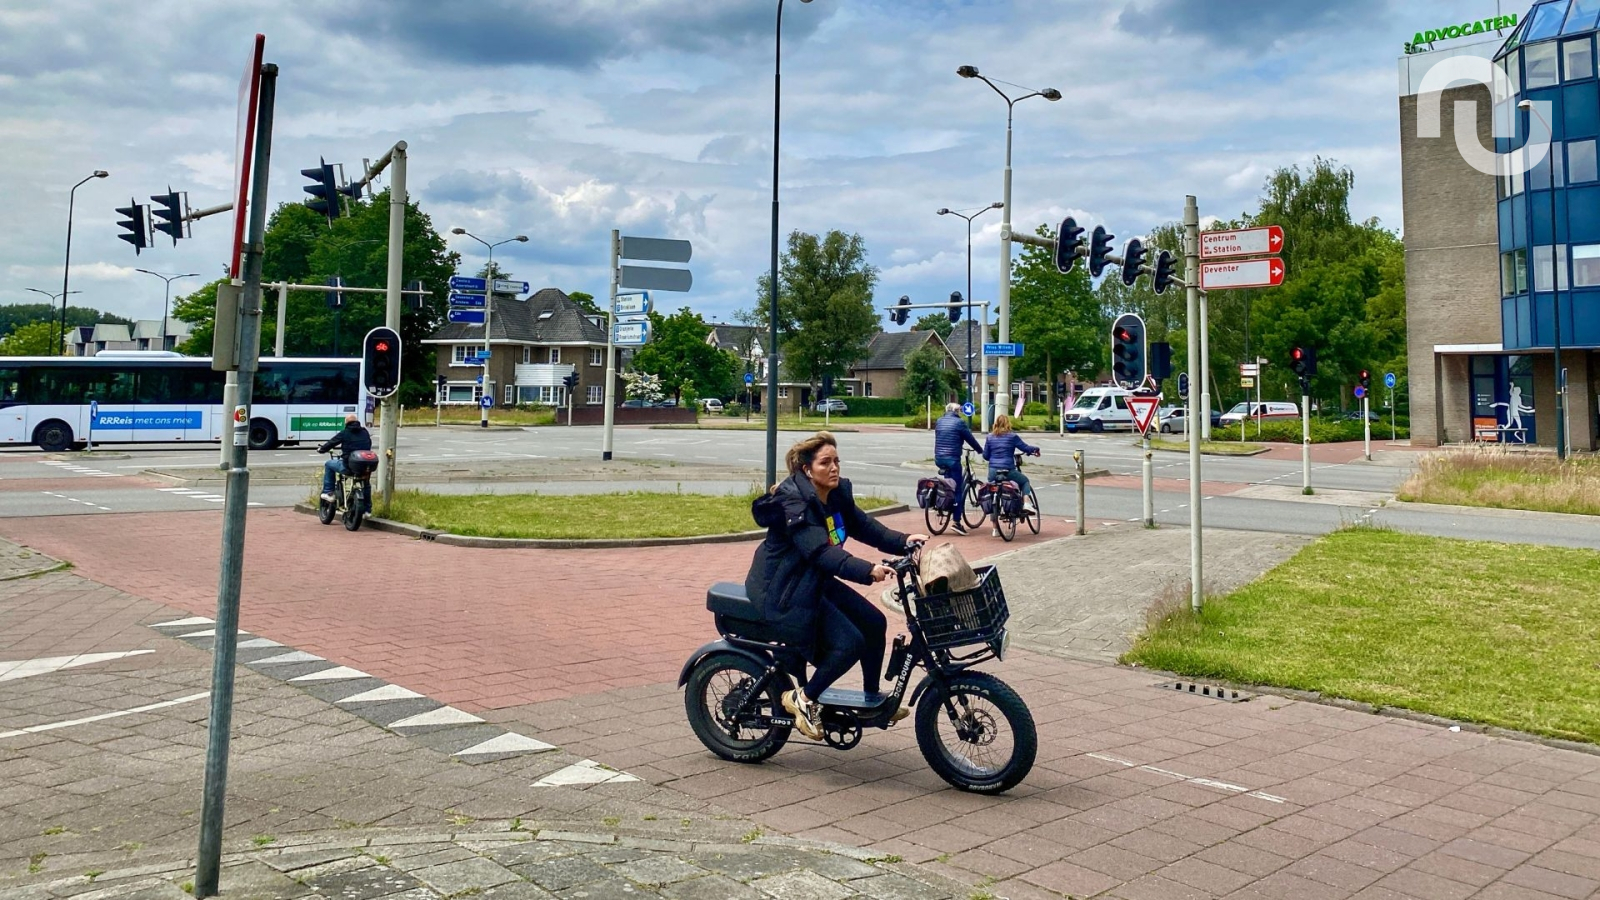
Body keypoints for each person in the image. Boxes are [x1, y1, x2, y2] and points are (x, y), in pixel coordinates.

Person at [746, 432, 928, 740]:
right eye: (825, 462)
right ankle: (803, 699)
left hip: (811, 581)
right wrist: (867, 570)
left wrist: (903, 541)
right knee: (849, 643)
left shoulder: (835, 493)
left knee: (874, 622)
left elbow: (863, 526)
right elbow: (821, 552)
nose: (834, 468)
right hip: (783, 589)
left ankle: (873, 699)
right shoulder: (795, 503)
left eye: (836, 461)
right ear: (806, 469)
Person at [933, 402, 983, 535]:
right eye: (959, 411)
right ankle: (957, 522)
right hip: (952, 459)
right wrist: (980, 450)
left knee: (949, 485)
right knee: (958, 489)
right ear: (956, 411)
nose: (960, 412)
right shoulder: (959, 422)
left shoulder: (939, 421)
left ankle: (945, 504)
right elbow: (969, 438)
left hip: (938, 458)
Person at [983, 414, 1041, 518]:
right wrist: (1035, 449)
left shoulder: (990, 437)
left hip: (993, 472)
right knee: (1024, 481)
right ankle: (1027, 503)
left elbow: (986, 456)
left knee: (993, 495)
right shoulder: (1012, 436)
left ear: (995, 424)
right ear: (1008, 424)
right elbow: (1025, 448)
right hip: (1008, 470)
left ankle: (995, 528)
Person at [318, 414, 372, 502]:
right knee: (366, 484)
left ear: (346, 423)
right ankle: (367, 511)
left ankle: (328, 492)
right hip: (364, 467)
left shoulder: (345, 432)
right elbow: (368, 445)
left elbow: (332, 442)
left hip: (348, 467)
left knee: (329, 464)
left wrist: (322, 449)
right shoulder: (364, 432)